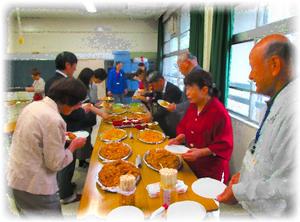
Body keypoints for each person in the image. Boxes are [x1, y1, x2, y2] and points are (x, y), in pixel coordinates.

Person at [217, 34, 297, 217]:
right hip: (252, 204)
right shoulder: (275, 102)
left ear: (275, 65)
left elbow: (289, 184)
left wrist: (241, 191)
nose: (250, 76)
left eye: (253, 68)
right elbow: (264, 153)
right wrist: (245, 177)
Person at [7, 78, 87, 216]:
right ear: (67, 101)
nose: (79, 106)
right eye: (78, 103)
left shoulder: (34, 106)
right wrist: (73, 146)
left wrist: (60, 136)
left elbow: (36, 138)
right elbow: (56, 164)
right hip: (35, 186)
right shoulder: (53, 119)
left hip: (16, 178)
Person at [168, 70, 233, 183]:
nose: (187, 93)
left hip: (211, 170)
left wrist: (201, 152)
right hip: (193, 165)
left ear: (204, 90)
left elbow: (224, 144)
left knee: (207, 199)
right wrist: (181, 138)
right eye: (186, 88)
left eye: (190, 88)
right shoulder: (193, 106)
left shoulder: (219, 113)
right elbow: (185, 126)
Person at [147, 71, 182, 137]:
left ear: (160, 81)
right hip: (166, 118)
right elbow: (156, 99)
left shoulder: (172, 89)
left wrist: (152, 117)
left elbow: (165, 108)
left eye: (153, 85)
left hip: (174, 122)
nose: (153, 88)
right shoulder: (160, 88)